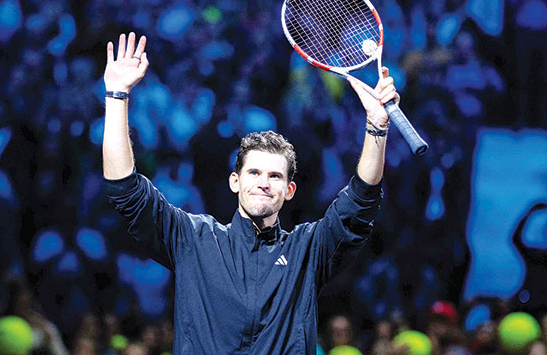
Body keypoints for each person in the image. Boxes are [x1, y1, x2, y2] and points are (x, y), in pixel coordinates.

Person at [102, 32, 402, 354]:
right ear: (235, 181)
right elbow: (125, 189)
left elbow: (360, 201)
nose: (263, 182)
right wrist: (117, 95)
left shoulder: (307, 250)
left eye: (274, 176)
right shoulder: (194, 240)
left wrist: (376, 125)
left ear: (289, 191)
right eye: (254, 173)